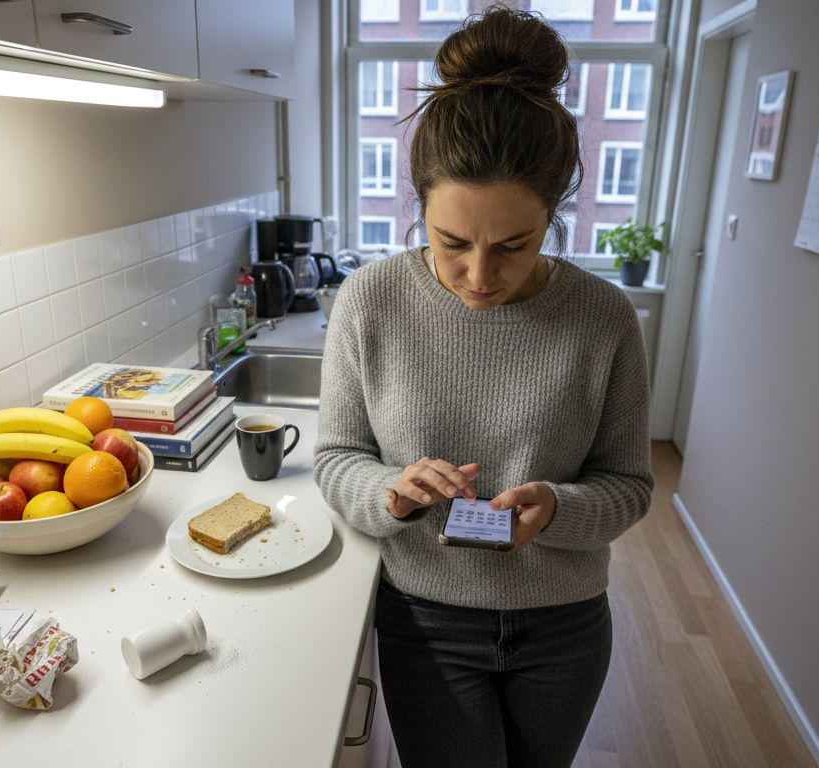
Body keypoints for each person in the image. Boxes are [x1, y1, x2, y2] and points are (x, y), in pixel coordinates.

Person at [312, 6, 654, 768]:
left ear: (554, 216)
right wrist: (392, 494)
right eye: (451, 242)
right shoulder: (370, 301)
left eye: (513, 246)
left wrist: (561, 508)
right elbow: (336, 456)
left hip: (564, 627)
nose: (477, 276)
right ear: (419, 207)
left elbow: (630, 485)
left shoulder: (603, 318)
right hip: (426, 621)